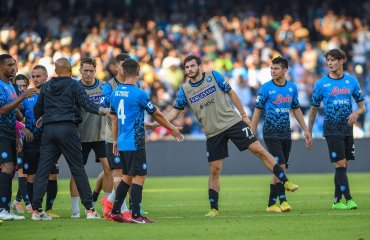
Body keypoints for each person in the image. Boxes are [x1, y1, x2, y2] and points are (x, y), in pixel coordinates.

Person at [146, 55, 299, 217]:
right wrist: (156, 124)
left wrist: (243, 115)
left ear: (199, 66)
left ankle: (285, 180)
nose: (189, 69)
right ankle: (214, 208)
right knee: (214, 170)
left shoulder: (213, 76)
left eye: (192, 66)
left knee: (259, 150)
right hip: (213, 132)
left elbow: (231, 93)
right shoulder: (185, 89)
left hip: (232, 122)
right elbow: (174, 112)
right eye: (187, 67)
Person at [31, 57, 108, 220]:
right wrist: (104, 110)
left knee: (43, 170)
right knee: (77, 168)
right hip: (67, 129)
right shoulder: (74, 85)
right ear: (71, 70)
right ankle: (89, 210)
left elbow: (37, 108)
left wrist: (41, 118)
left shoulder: (46, 86)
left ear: (56, 71)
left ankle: (36, 211)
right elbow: (87, 105)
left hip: (49, 130)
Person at [108, 59, 183, 223]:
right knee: (139, 176)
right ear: (137, 72)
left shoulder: (115, 92)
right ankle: (136, 215)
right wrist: (173, 129)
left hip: (122, 140)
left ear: (123, 72)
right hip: (135, 141)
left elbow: (114, 119)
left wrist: (115, 140)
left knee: (127, 176)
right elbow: (158, 114)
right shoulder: (139, 93)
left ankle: (115, 212)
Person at [251, 56, 312, 213]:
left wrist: (305, 129)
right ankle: (283, 200)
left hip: (286, 132)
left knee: (278, 168)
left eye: (276, 68)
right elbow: (257, 111)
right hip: (271, 132)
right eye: (271, 68)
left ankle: (271, 204)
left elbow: (296, 109)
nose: (272, 71)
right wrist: (252, 131)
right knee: (280, 166)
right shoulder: (265, 88)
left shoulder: (292, 88)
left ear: (285, 71)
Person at [308, 49, 365, 210]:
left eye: (333, 60)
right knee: (340, 163)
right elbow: (313, 109)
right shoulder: (321, 84)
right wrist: (309, 131)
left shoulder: (351, 81)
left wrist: (356, 112)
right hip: (331, 128)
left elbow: (363, 107)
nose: (330, 63)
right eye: (328, 61)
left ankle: (336, 201)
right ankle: (349, 199)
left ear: (341, 60)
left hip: (347, 129)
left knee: (343, 165)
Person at [69, 57, 113, 218]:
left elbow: (111, 107)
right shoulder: (74, 87)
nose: (88, 74)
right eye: (85, 71)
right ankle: (75, 209)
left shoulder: (104, 86)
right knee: (76, 172)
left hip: (102, 135)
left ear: (96, 71)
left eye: (91, 71)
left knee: (109, 169)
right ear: (80, 71)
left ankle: (107, 206)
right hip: (80, 137)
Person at [20, 65, 60, 218]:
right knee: (32, 175)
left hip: (49, 140)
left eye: (38, 76)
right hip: (31, 142)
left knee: (52, 175)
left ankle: (49, 208)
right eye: (33, 76)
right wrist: (23, 129)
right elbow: (18, 116)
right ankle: (33, 209)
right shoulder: (27, 95)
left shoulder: (52, 92)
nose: (35, 79)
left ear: (45, 76)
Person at [0, 54, 36, 221]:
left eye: (14, 64)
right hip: (0, 132)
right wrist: (22, 96)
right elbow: (3, 110)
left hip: (10, 133)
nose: (13, 68)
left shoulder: (9, 86)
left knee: (11, 169)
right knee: (7, 168)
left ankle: (5, 209)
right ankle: (2, 209)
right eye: (9, 65)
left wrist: (18, 134)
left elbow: (14, 113)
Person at [100, 53, 132, 219]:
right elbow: (101, 108)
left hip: (130, 135)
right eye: (122, 65)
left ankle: (110, 201)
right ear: (116, 67)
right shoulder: (109, 86)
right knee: (118, 172)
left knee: (129, 173)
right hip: (113, 137)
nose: (125, 68)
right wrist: (114, 111)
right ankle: (122, 209)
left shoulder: (135, 84)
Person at [11, 74, 32, 213]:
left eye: (24, 86)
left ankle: (17, 201)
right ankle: (27, 204)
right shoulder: (11, 98)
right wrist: (21, 125)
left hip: (26, 140)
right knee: (17, 172)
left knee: (25, 172)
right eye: (19, 86)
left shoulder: (29, 100)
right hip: (12, 138)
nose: (22, 88)